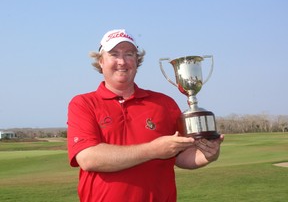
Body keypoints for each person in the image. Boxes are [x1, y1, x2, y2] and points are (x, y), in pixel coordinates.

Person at [67, 29, 224, 202]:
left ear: (137, 60)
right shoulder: (83, 103)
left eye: (129, 54)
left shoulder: (164, 104)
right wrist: (153, 150)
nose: (122, 61)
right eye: (113, 54)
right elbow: (88, 158)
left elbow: (181, 156)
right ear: (101, 61)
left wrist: (207, 155)